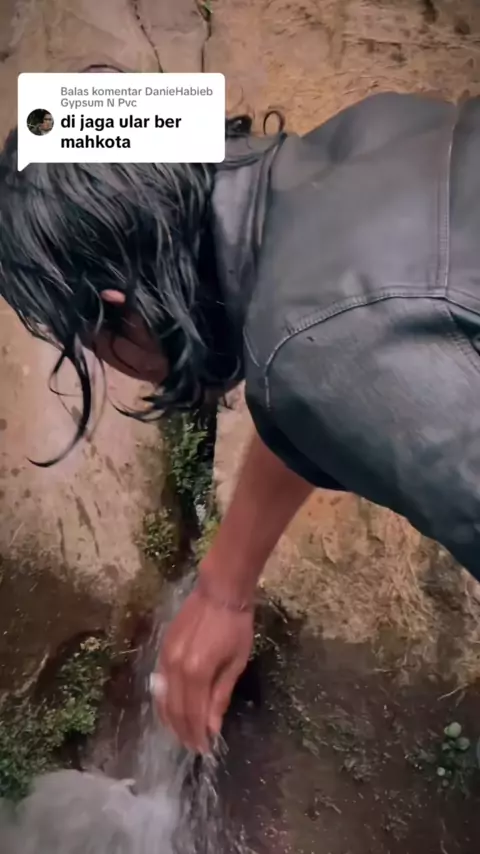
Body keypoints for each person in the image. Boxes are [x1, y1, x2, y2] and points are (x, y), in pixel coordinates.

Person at [1, 91, 480, 754]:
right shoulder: (365, 135)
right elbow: (323, 356)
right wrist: (223, 587)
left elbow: (330, 350)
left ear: (118, 305)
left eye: (86, 339)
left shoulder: (326, 345)